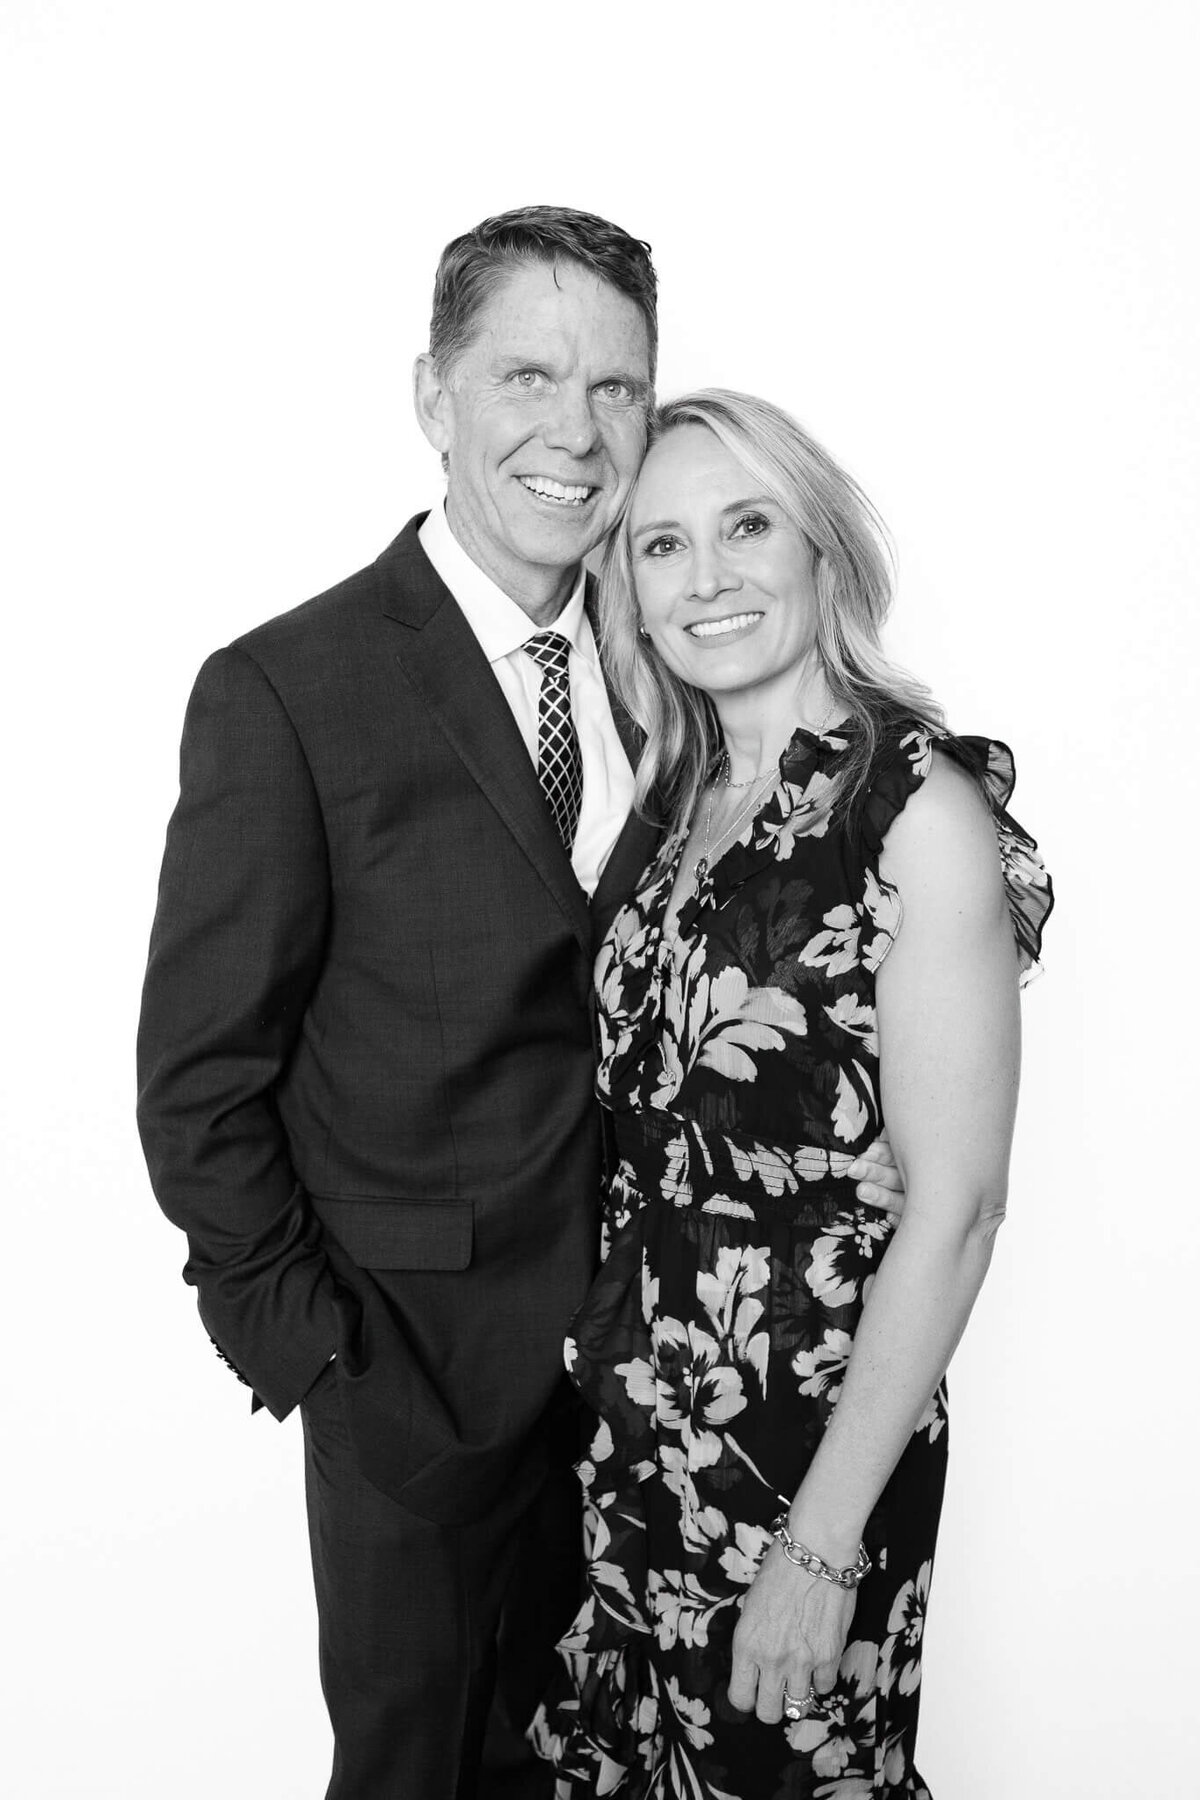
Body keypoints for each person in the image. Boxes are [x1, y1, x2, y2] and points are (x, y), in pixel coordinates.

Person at [135, 212, 905, 1800]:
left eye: (617, 387)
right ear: (435, 395)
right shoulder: (289, 690)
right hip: (414, 1394)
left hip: (658, 1402)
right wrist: (326, 1370)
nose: (576, 431)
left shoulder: (670, 664)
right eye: (525, 377)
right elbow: (197, 1085)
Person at [532, 389, 1054, 1796]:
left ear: (820, 548)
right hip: (632, 1446)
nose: (707, 576)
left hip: (801, 1460)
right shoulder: (668, 803)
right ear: (624, 588)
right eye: (659, 545)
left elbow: (955, 1211)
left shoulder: (914, 814)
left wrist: (821, 1550)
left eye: (746, 525)